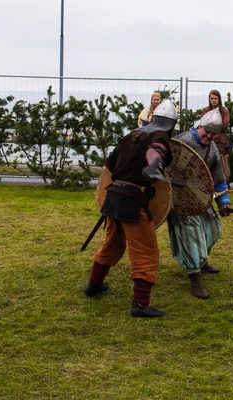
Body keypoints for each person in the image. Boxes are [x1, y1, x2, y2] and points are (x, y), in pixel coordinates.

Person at [83, 99, 177, 318]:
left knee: (113, 243)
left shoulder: (131, 135)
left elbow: (110, 165)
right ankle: (140, 305)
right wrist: (152, 167)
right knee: (146, 251)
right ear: (171, 125)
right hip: (132, 201)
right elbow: (156, 154)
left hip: (113, 197)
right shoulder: (160, 137)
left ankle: (94, 285)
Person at [168, 108, 233, 300]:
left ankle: (202, 261)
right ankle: (195, 278)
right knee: (191, 235)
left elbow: (218, 178)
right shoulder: (182, 142)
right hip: (179, 199)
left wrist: (223, 201)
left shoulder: (212, 148)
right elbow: (164, 168)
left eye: (213, 134)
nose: (209, 136)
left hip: (199, 196)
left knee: (213, 228)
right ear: (200, 126)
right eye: (207, 132)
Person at [201, 90, 231, 182]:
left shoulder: (224, 111)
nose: (213, 100)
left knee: (223, 166)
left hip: (220, 141)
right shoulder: (206, 110)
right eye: (212, 98)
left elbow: (225, 124)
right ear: (209, 99)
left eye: (215, 98)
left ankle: (223, 184)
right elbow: (203, 124)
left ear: (219, 99)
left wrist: (212, 126)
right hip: (208, 140)